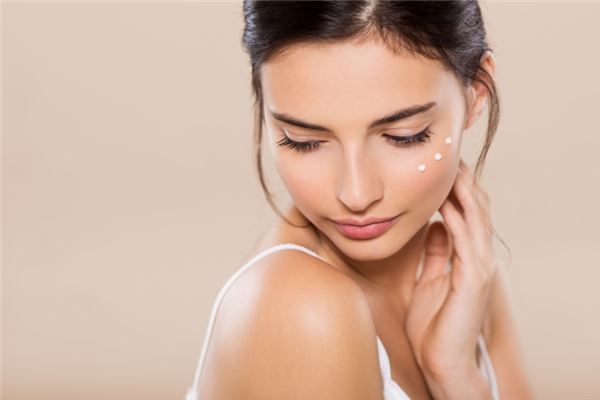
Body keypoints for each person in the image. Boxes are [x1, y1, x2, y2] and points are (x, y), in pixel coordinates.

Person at [186, 1, 534, 399]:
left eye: (404, 135)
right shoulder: (301, 308)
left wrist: (456, 376)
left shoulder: (469, 280)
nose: (356, 194)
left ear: (476, 92)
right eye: (303, 141)